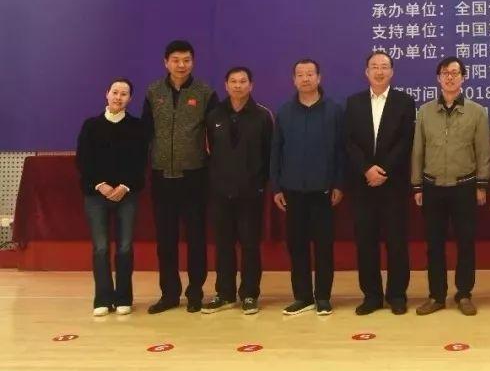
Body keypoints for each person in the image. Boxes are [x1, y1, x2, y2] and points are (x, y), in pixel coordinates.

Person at [142, 40, 219, 314]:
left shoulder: (205, 93)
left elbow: (215, 136)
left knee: (196, 238)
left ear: (193, 62)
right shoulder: (154, 92)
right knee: (166, 241)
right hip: (162, 176)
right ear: (166, 63)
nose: (181, 65)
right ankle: (169, 294)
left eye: (186, 60)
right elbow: (145, 133)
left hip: (194, 176)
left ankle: (195, 292)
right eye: (176, 60)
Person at [411, 56, 490, 316]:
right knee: (434, 245)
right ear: (438, 78)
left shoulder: (476, 112)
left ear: (463, 78)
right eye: (445, 73)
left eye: (455, 73)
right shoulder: (425, 112)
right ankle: (436, 296)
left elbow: (483, 151)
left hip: (464, 186)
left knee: (465, 243)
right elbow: (418, 151)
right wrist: (417, 186)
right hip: (432, 187)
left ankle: (464, 294)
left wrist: (481, 185)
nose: (450, 77)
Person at [270, 59, 345, 317]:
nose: (305, 79)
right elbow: (276, 151)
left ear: (319, 78)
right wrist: (276, 187)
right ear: (294, 80)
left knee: (324, 247)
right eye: (300, 75)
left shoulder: (334, 110)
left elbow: (341, 151)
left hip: (323, 191)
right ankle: (302, 297)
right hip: (293, 191)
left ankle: (323, 297)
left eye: (310, 74)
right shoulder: (285, 111)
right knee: (297, 246)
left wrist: (339, 184)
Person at [344, 51, 416, 316]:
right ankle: (372, 296)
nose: (379, 71)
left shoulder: (404, 102)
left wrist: (383, 169)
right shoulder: (354, 103)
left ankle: (397, 295)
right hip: (362, 184)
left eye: (384, 67)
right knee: (366, 242)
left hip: (393, 183)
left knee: (396, 242)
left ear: (392, 72)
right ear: (366, 72)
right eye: (374, 67)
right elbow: (348, 141)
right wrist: (366, 169)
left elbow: (406, 140)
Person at [202, 67, 273, 315]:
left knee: (250, 245)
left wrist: (261, 184)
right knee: (223, 246)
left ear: (251, 85)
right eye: (233, 81)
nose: (238, 85)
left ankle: (250, 294)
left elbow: (269, 154)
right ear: (226, 85)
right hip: (220, 193)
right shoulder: (214, 115)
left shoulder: (262, 116)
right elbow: (209, 152)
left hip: (251, 194)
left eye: (243, 81)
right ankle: (225, 294)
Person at [75, 78, 149, 316]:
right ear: (106, 94)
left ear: (130, 98)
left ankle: (123, 297)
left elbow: (140, 161)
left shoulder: (137, 127)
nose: (118, 97)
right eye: (115, 92)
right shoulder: (91, 125)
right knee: (100, 248)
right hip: (96, 196)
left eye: (124, 94)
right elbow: (83, 160)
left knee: (125, 247)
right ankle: (102, 299)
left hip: (127, 195)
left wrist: (125, 186)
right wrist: (101, 185)